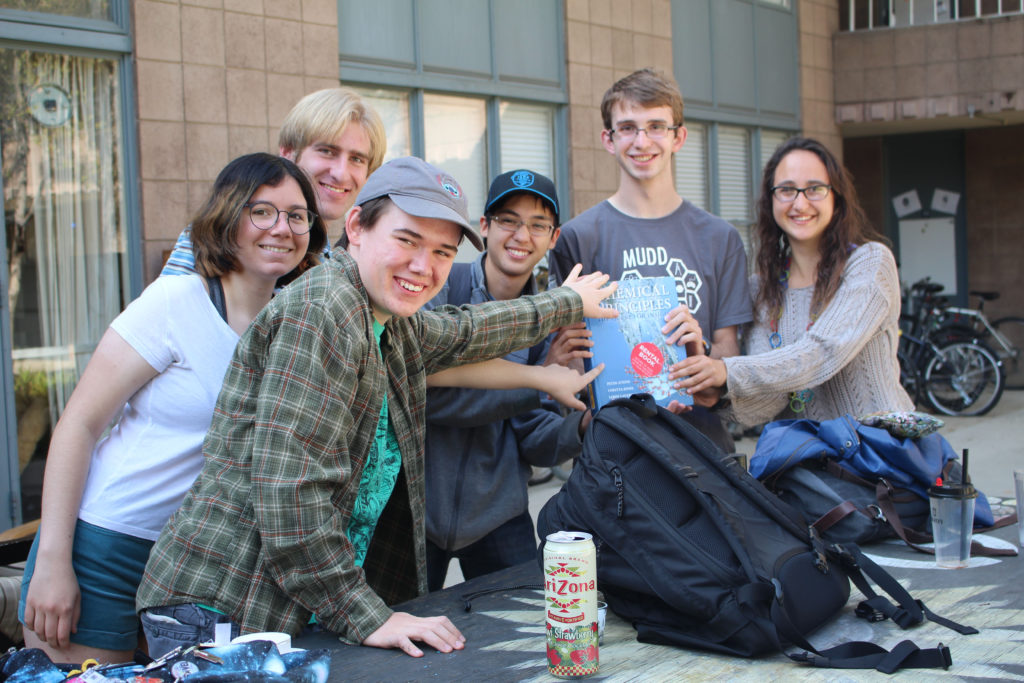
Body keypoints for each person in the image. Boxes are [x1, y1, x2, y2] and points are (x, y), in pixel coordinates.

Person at [135, 157, 617, 659]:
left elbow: (466, 330)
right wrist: (369, 615)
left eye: (442, 252)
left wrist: (567, 302)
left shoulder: (385, 315)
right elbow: (290, 501)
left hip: (282, 609)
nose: (423, 267)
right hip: (227, 610)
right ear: (357, 226)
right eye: (406, 240)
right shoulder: (324, 312)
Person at [18, 153, 327, 663]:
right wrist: (54, 559)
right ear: (228, 217)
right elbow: (79, 423)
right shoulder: (175, 302)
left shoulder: (291, 322)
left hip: (196, 564)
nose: (282, 228)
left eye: (297, 215)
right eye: (263, 211)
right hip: (107, 548)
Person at [547, 68, 751, 444]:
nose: (642, 141)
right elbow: (571, 357)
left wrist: (700, 359)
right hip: (615, 453)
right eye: (627, 127)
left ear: (679, 137)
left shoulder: (720, 238)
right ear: (608, 140)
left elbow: (729, 351)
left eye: (657, 126)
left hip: (703, 449)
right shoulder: (577, 238)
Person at [423, 169, 591, 591]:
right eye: (508, 220)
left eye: (538, 225)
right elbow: (428, 399)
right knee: (400, 642)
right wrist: (537, 380)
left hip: (499, 515)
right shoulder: (443, 285)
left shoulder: (550, 321)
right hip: (416, 511)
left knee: (527, 633)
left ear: (553, 239)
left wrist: (585, 424)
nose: (522, 235)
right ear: (484, 227)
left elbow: (536, 440)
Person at [674, 136, 914, 424]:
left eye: (814, 189)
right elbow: (771, 400)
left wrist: (726, 371)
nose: (800, 203)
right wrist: (711, 392)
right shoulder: (762, 290)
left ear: (836, 197)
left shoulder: (870, 263)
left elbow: (824, 351)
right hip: (806, 463)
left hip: (877, 459)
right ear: (771, 200)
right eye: (786, 190)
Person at [161, 87, 385, 275]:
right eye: (327, 151)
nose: (341, 173)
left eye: (356, 159)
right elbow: (165, 316)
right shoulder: (223, 233)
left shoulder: (332, 258)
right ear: (288, 153)